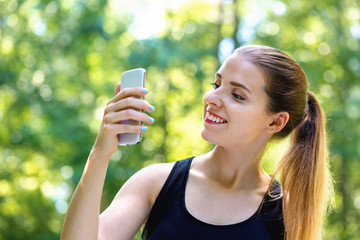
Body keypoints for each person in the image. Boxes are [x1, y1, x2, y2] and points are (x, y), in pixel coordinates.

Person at [60, 45, 333, 240]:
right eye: (216, 84)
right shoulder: (156, 183)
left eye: (237, 96)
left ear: (275, 122)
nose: (211, 98)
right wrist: (99, 153)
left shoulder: (286, 212)